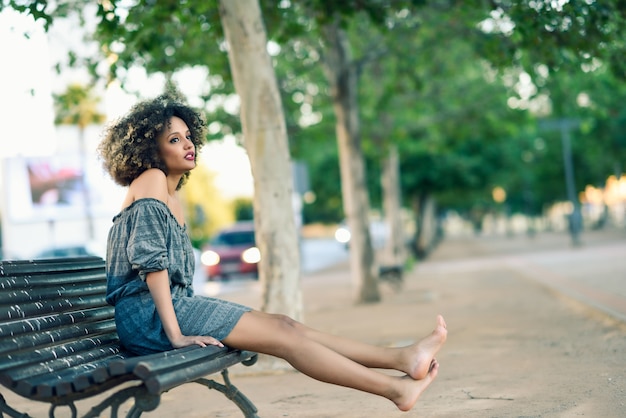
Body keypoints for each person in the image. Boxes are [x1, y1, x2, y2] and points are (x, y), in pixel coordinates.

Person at [98, 94, 447, 412]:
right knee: (284, 337)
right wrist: (176, 337)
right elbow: (152, 266)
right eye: (174, 140)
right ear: (150, 151)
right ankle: (394, 389)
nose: (188, 144)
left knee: (285, 325)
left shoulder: (172, 196)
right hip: (150, 319)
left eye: (188, 136)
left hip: (169, 309)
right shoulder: (151, 180)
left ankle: (402, 360)